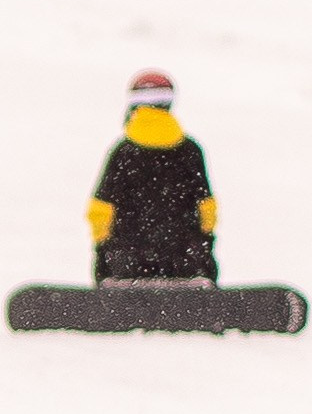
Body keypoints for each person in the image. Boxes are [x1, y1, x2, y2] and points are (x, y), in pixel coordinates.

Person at [89, 70, 218, 283]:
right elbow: (207, 209)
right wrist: (203, 254)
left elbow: (100, 211)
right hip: (185, 262)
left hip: (127, 264)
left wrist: (103, 259)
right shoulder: (190, 151)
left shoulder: (123, 153)